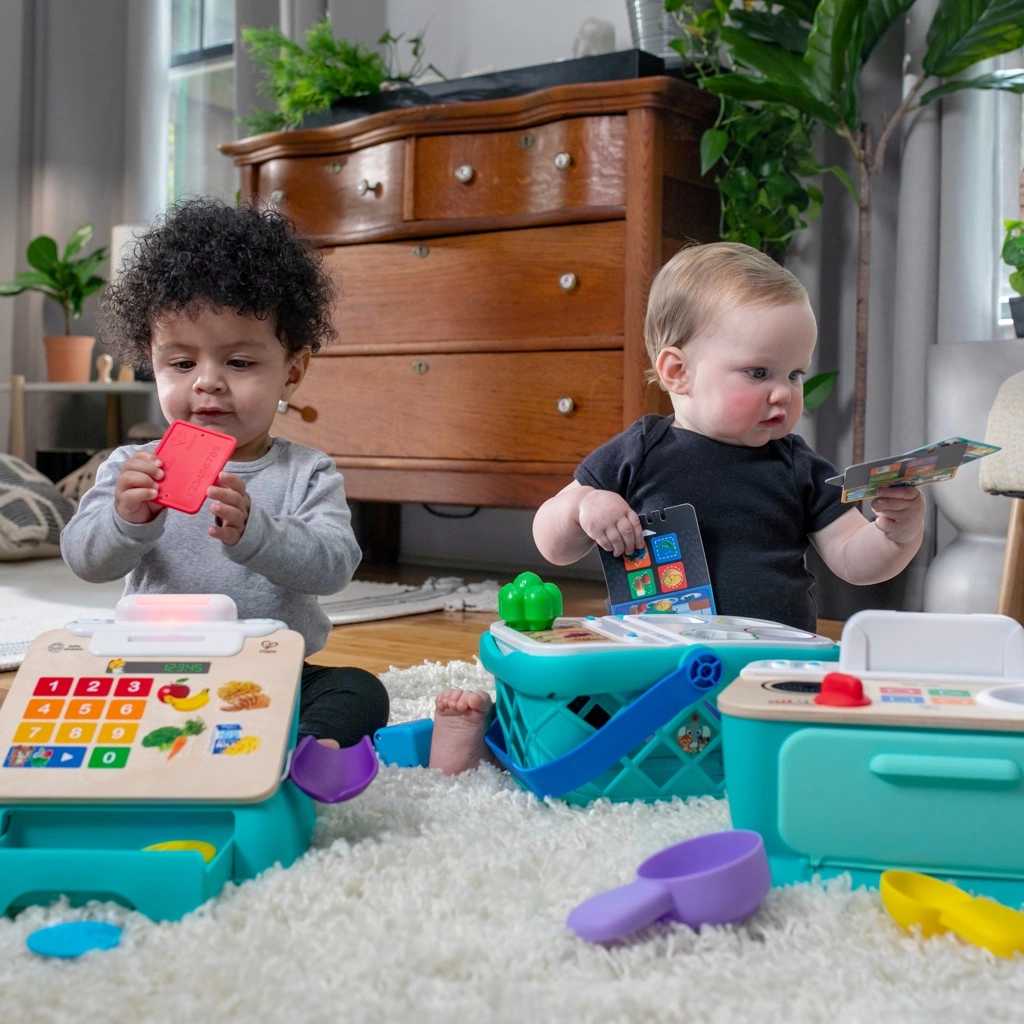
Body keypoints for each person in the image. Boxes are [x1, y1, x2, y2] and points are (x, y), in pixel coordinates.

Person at [429, 241, 925, 773]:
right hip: (652, 669)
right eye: (759, 373)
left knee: (826, 733)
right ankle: (481, 740)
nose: (783, 393)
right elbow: (551, 543)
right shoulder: (639, 452)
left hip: (769, 671)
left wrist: (895, 531)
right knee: (580, 716)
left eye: (795, 374)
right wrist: (585, 506)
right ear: (677, 371)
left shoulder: (798, 465)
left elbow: (854, 559)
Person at [61, 197, 389, 750]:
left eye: (239, 362)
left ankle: (305, 752)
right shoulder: (131, 470)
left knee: (359, 691)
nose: (207, 382)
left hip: (269, 672)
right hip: (153, 670)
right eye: (182, 363)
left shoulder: (306, 472)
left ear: (292, 372)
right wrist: (125, 522)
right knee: (74, 679)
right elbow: (85, 560)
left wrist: (258, 533)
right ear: (152, 364)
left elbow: (334, 566)